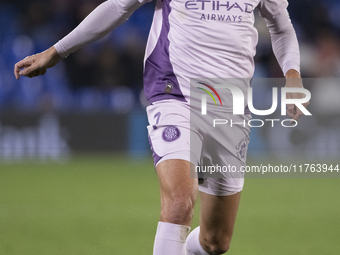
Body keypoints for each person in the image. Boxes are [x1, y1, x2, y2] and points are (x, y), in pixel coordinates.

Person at [14, 0, 310, 254]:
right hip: (174, 92)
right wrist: (57, 51)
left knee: (216, 241)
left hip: (228, 105)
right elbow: (119, 5)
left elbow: (281, 28)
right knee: (180, 202)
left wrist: (293, 75)